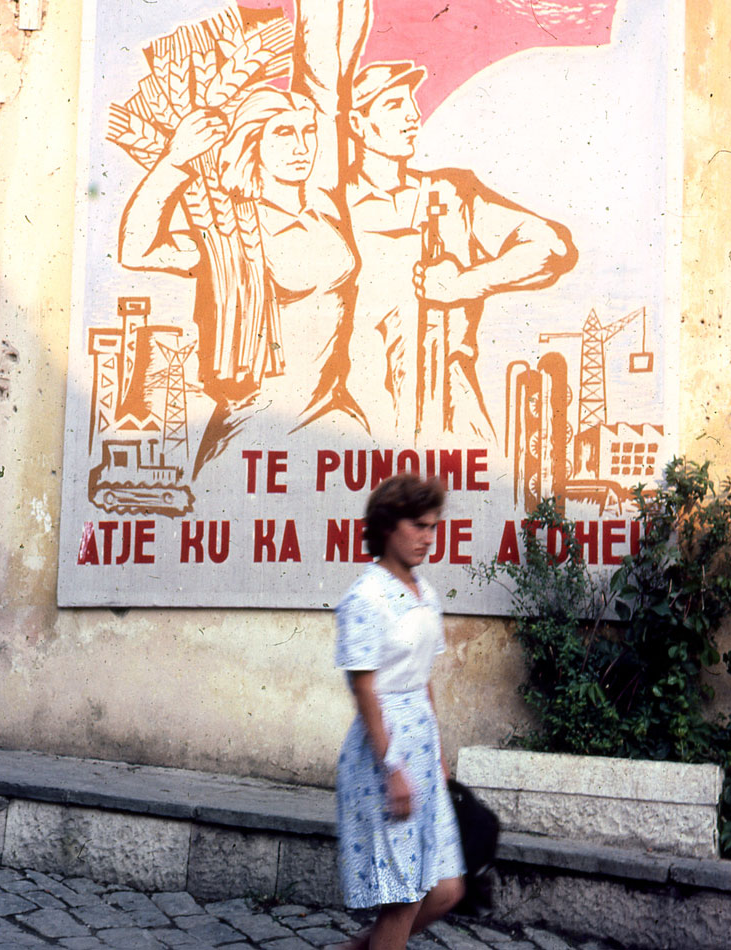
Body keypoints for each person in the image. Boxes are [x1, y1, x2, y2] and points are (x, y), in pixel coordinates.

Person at [117, 0, 370, 473]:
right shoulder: (230, 231)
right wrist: (174, 162)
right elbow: (136, 250)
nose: (301, 146)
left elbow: (325, 80)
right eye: (284, 134)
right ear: (252, 142)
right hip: (255, 432)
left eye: (307, 132)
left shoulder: (323, 202)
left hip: (335, 418)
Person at [344, 62, 578, 443]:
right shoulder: (331, 205)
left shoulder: (451, 193)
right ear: (358, 123)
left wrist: (465, 284)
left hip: (453, 412)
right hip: (360, 417)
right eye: (393, 105)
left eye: (411, 101)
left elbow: (553, 248)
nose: (412, 115)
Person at [334, 474, 466, 949]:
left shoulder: (424, 593)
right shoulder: (365, 597)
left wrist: (438, 754)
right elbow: (364, 688)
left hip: (422, 749)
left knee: (446, 889)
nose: (428, 538)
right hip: (383, 753)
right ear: (388, 527)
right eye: (418, 526)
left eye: (433, 527)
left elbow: (423, 677)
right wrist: (393, 768)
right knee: (402, 896)